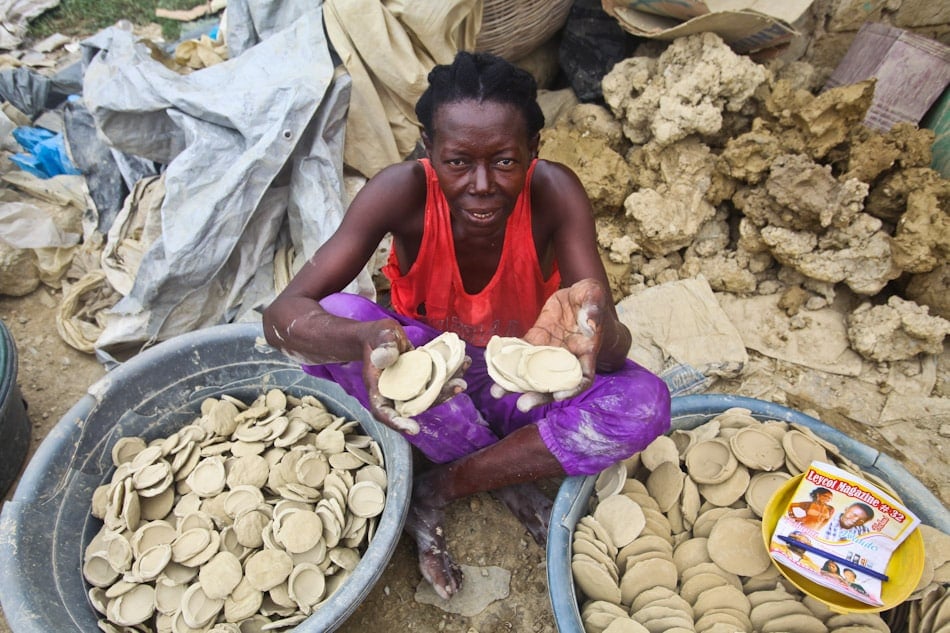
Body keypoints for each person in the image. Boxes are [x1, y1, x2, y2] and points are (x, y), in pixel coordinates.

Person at [262, 51, 671, 599]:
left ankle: (445, 483)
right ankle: (506, 468)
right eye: (457, 162)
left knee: (645, 402)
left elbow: (611, 347)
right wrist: (363, 340)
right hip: (435, 383)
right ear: (429, 151)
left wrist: (600, 328)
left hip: (521, 382)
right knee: (342, 313)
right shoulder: (399, 191)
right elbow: (282, 315)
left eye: (504, 161)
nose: (482, 184)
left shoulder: (555, 193)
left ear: (534, 152)